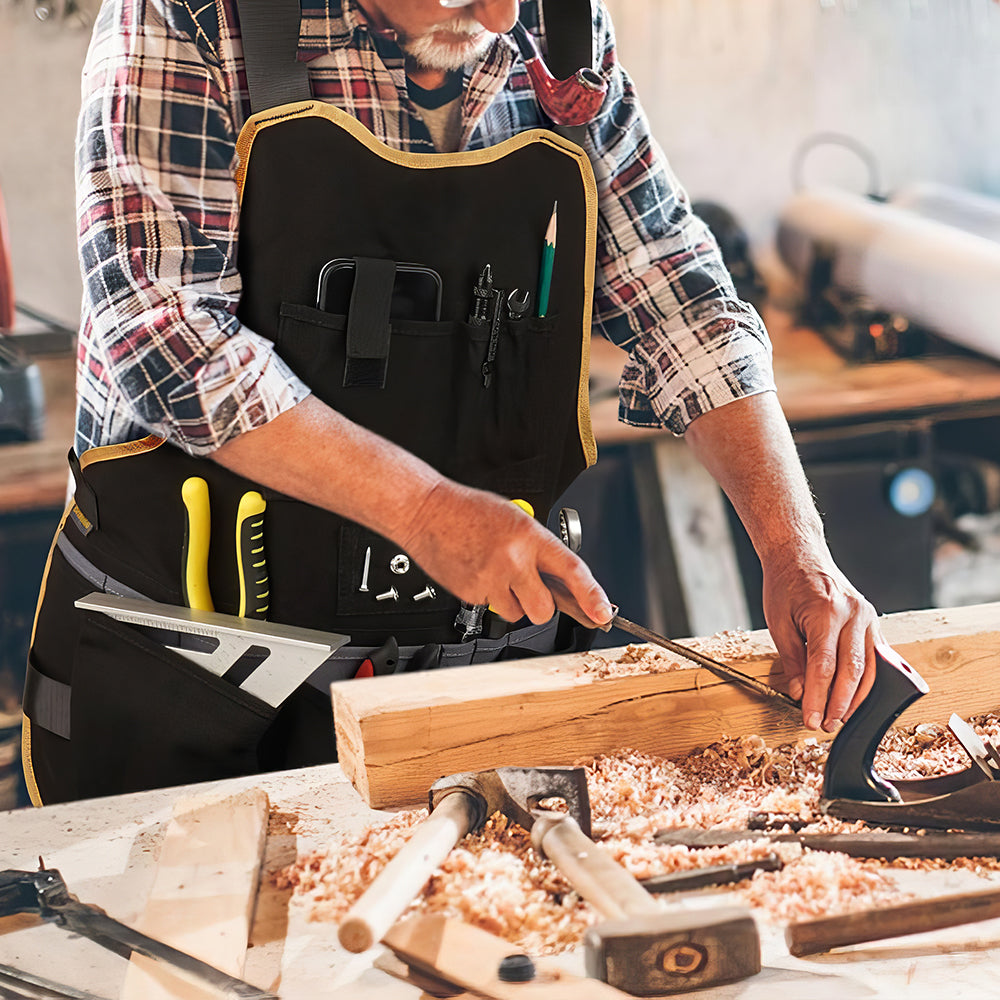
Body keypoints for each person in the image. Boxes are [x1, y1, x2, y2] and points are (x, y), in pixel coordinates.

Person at [23, 0, 880, 805]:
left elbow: (677, 296)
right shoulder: (190, 16)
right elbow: (165, 339)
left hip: (460, 684)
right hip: (194, 677)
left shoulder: (549, 22)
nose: (502, 19)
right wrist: (426, 510)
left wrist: (794, 548)